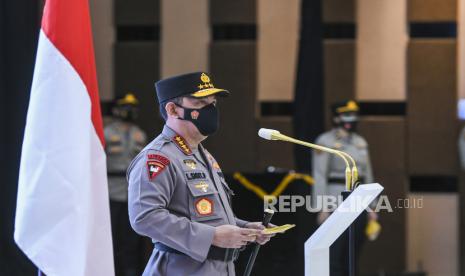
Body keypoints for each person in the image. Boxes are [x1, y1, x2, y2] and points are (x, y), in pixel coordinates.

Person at [127, 72, 274, 276]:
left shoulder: (202, 155)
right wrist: (211, 236)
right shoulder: (158, 157)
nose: (210, 110)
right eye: (200, 103)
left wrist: (244, 228)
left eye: (213, 103)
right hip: (181, 268)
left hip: (219, 268)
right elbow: (144, 216)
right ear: (173, 109)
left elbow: (205, 215)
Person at [312, 100, 377, 276]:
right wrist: (322, 207)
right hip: (336, 200)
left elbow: (368, 175)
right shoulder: (325, 141)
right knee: (336, 253)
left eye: (354, 115)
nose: (351, 119)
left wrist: (372, 206)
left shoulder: (360, 142)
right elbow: (319, 175)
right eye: (346, 115)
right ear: (336, 117)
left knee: (354, 254)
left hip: (359, 201)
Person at [104, 93, 147, 276]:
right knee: (111, 239)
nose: (129, 111)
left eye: (132, 108)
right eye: (125, 107)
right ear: (116, 109)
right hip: (111, 192)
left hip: (132, 194)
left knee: (131, 241)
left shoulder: (140, 134)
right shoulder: (107, 132)